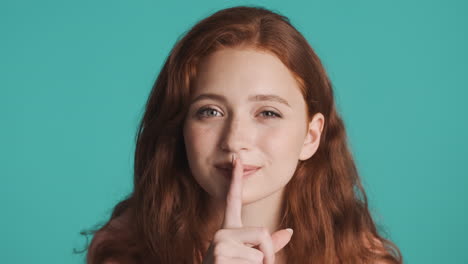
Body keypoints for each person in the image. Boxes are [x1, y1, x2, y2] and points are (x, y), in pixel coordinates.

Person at [84, 5, 403, 264]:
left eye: (268, 113)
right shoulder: (124, 250)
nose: (235, 140)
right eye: (210, 111)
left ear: (310, 136)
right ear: (180, 127)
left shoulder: (360, 258)